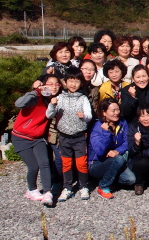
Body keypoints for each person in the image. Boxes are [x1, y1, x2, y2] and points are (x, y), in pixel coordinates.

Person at [12, 76, 62, 206]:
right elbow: (19, 104)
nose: (54, 86)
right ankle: (32, 190)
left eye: (57, 84)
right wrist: (35, 91)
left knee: (45, 163)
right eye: (50, 84)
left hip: (38, 138)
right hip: (21, 137)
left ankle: (47, 193)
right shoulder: (36, 97)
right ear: (43, 85)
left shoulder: (54, 100)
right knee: (33, 166)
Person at [46, 67, 93, 202]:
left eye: (77, 81)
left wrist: (83, 116)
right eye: (70, 81)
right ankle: (67, 187)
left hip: (79, 136)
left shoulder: (83, 98)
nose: (73, 84)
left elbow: (89, 116)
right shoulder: (60, 97)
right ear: (65, 82)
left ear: (81, 83)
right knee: (66, 163)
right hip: (64, 136)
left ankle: (84, 186)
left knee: (81, 163)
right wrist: (52, 105)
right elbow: (49, 115)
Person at [88, 99, 136, 199]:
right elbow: (99, 151)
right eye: (113, 110)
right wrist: (106, 133)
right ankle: (103, 186)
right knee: (119, 159)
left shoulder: (122, 123)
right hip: (97, 163)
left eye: (117, 109)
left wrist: (117, 151)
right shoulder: (97, 127)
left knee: (131, 179)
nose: (116, 113)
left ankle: (108, 178)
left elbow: (127, 142)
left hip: (115, 159)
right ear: (104, 113)